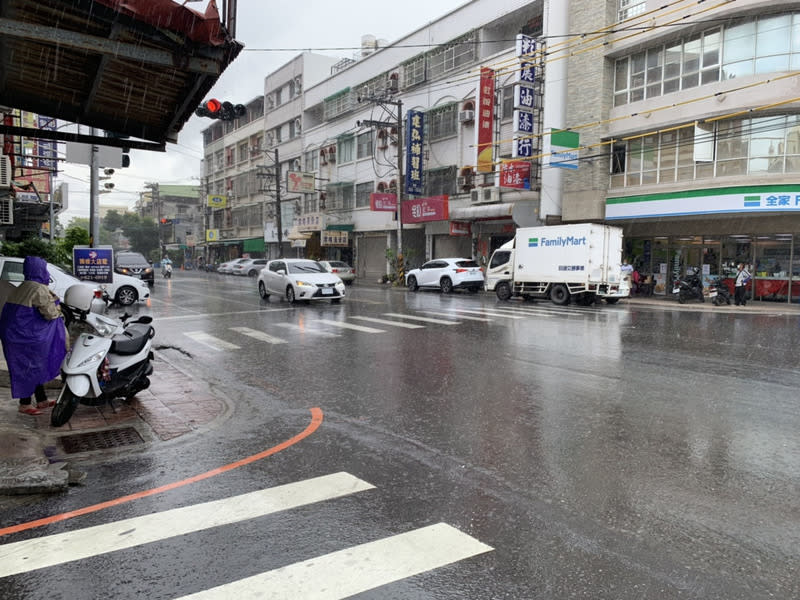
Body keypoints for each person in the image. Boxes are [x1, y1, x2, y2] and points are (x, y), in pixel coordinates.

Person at [0, 256, 67, 415]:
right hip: (26, 337)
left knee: (33, 367)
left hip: (14, 335)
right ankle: (24, 404)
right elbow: (50, 314)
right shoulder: (38, 288)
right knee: (29, 368)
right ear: (40, 270)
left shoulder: (23, 286)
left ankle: (42, 400)